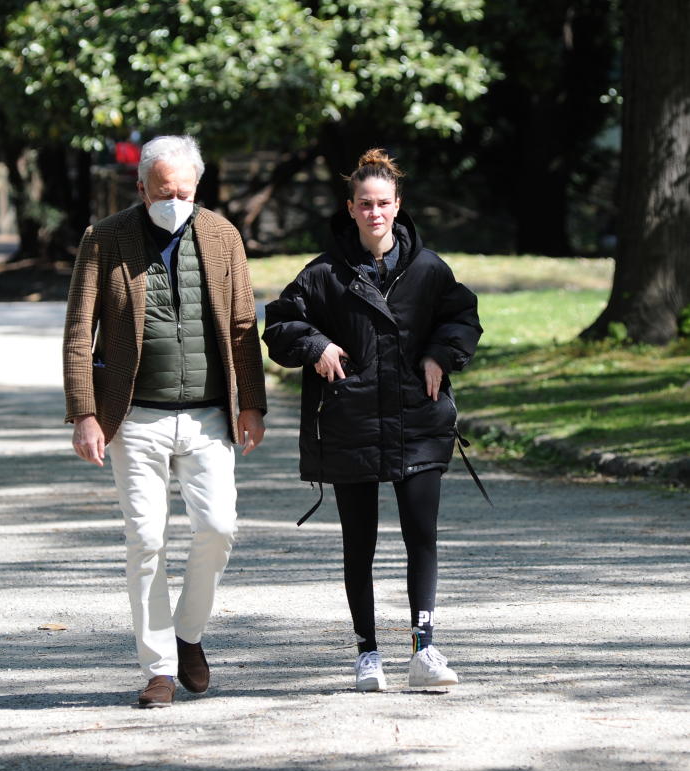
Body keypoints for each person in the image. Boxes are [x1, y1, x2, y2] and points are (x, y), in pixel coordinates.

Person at [263, 149, 482, 692]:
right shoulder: (322, 274)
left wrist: (439, 354)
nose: (375, 212)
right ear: (351, 208)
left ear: (398, 205)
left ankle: (423, 649)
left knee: (421, 538)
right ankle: (367, 653)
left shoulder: (430, 270)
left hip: (417, 417)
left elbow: (462, 317)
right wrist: (315, 345)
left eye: (384, 203)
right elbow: (279, 325)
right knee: (358, 544)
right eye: (366, 204)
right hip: (350, 420)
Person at [63, 134, 267, 708]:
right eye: (161, 192)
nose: (172, 201)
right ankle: (158, 668)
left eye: (182, 191)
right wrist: (84, 412)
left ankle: (188, 634)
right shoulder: (104, 239)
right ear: (141, 187)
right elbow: (80, 332)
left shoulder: (223, 236)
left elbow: (242, 324)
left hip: (208, 417)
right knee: (146, 539)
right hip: (134, 419)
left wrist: (251, 402)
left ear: (196, 187)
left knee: (219, 527)